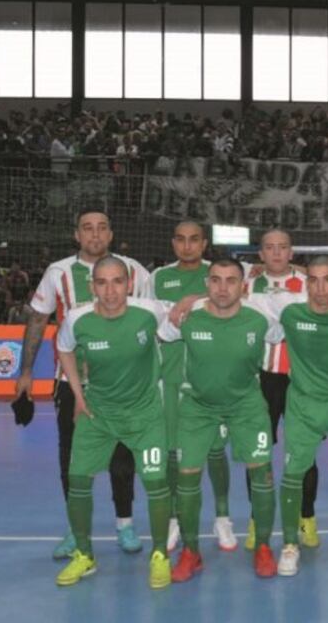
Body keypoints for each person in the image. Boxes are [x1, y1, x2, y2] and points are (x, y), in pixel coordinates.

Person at [15, 205, 150, 559]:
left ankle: (125, 523)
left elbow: (150, 322)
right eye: (87, 228)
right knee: (72, 460)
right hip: (72, 382)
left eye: (102, 227)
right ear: (77, 235)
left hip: (124, 384)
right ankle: (77, 530)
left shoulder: (134, 271)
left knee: (123, 458)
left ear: (111, 234)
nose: (95, 234)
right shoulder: (57, 272)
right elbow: (37, 321)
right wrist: (25, 373)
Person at [249, 256, 328, 576]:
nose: (321, 288)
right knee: (293, 473)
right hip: (304, 403)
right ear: (307, 284)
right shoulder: (287, 308)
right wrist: (189, 302)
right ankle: (290, 544)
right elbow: (236, 295)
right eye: (314, 280)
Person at [159, 259, 281, 581]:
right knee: (186, 479)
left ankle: (264, 547)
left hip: (247, 406)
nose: (223, 288)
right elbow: (161, 335)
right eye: (215, 280)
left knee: (263, 475)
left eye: (230, 281)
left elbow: (287, 331)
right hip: (198, 408)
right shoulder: (186, 317)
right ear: (206, 284)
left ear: (243, 286)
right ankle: (190, 552)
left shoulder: (261, 319)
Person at [53, 256, 171, 589]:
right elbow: (64, 349)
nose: (110, 290)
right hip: (98, 415)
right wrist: (78, 394)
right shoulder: (77, 319)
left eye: (117, 281)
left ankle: (160, 554)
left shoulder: (150, 311)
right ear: (92, 287)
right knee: (77, 480)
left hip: (145, 415)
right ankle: (84, 555)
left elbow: (185, 312)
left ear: (129, 284)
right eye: (102, 283)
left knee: (156, 483)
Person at [146, 221, 235, 553]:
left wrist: (192, 299)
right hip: (169, 375)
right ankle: (172, 518)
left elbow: (234, 298)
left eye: (194, 240)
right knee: (171, 449)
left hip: (211, 375)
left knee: (215, 449)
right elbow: (148, 319)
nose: (187, 246)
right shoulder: (157, 278)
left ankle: (223, 518)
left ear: (204, 243)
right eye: (181, 240)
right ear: (173, 244)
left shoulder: (219, 273)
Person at [243, 229, 320, 550]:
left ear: (292, 253)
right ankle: (257, 520)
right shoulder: (245, 284)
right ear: (260, 254)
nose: (276, 253)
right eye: (269, 248)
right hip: (260, 378)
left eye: (282, 248)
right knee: (257, 454)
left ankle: (307, 518)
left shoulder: (309, 284)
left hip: (301, 378)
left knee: (304, 452)